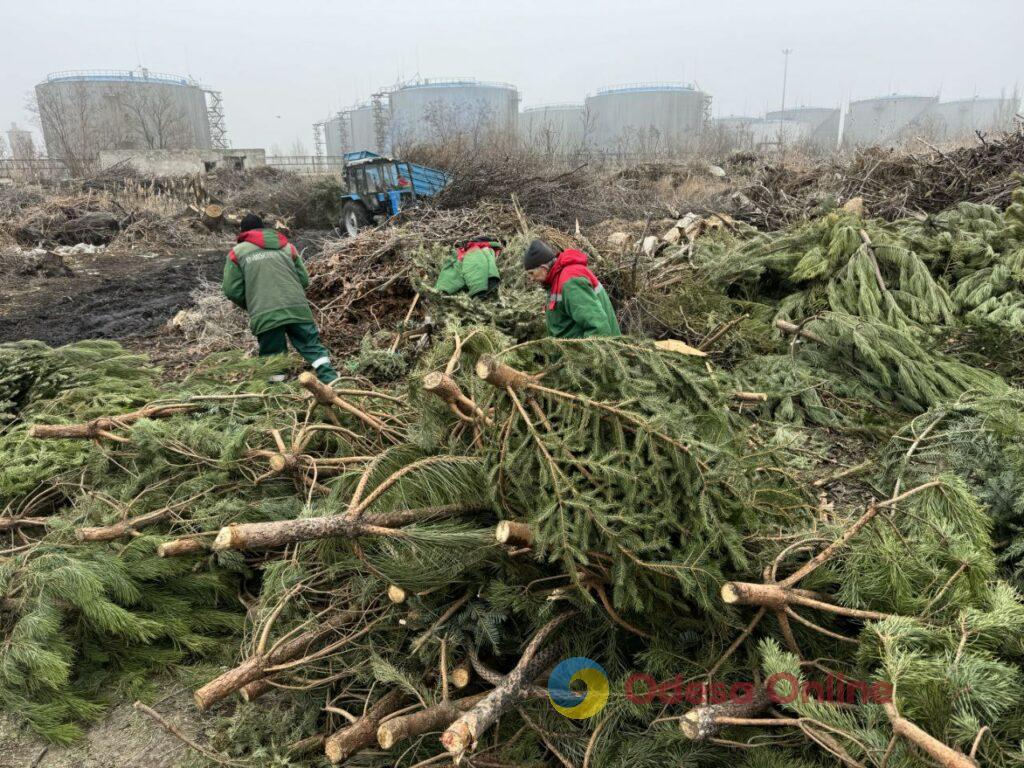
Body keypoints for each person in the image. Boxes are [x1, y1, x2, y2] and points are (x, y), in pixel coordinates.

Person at [222, 213, 339, 383]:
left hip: (265, 313)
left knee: (273, 360)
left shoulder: (237, 253)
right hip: (298, 308)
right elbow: (304, 280)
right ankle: (333, 383)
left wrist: (253, 304)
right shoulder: (287, 247)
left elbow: (231, 290)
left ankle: (278, 399)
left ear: (243, 232)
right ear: (263, 228)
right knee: (313, 348)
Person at [522, 240, 620, 338]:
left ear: (544, 268)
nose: (531, 279)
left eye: (531, 273)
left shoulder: (570, 281)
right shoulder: (556, 279)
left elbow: (598, 328)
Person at [434, 236, 502, 298]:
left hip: (478, 287)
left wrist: (478, 290)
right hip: (477, 281)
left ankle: (442, 290)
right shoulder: (485, 250)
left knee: (470, 264)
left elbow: (475, 265)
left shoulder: (475, 249)